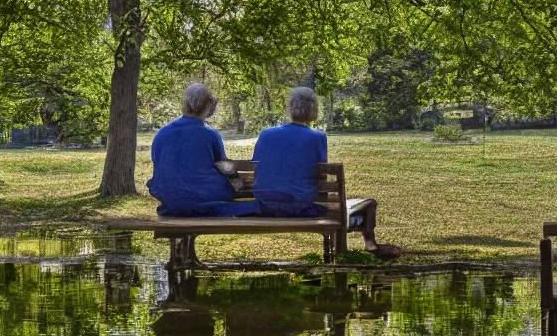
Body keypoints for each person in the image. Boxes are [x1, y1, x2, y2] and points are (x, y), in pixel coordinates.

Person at [252, 87, 401, 260]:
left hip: (266, 204)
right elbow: (321, 173)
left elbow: (256, 166)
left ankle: (367, 244)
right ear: (314, 111)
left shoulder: (266, 134)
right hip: (300, 206)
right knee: (369, 203)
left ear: (291, 108)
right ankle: (370, 245)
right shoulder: (317, 137)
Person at [147, 83, 260, 217]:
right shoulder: (209, 134)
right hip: (203, 195)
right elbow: (225, 167)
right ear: (208, 106)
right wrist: (238, 182)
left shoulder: (162, 133)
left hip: (171, 201)